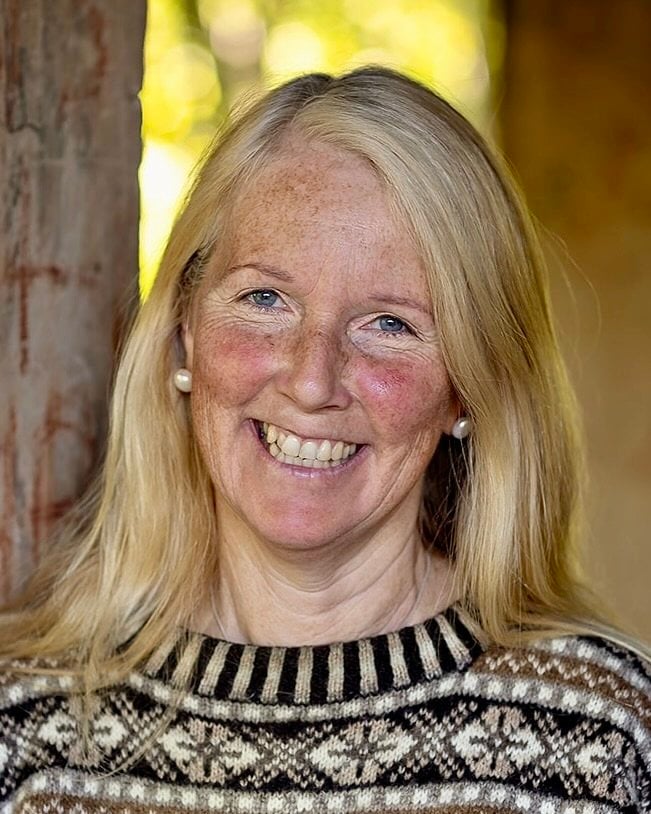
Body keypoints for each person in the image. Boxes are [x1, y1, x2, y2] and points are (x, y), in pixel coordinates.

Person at [1, 67, 649, 813]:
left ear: (467, 387)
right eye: (265, 299)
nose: (312, 382)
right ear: (185, 336)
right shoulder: (27, 739)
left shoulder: (598, 741)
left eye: (390, 324)